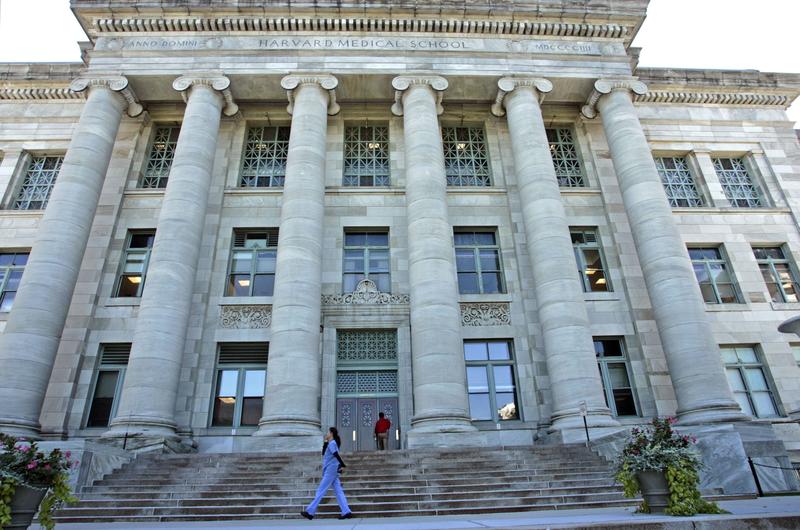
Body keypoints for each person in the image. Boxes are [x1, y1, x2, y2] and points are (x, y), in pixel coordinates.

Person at [300, 427, 352, 520]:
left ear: (331, 433)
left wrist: (343, 465)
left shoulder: (332, 443)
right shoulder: (331, 443)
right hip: (332, 469)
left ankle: (310, 512)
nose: (326, 434)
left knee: (321, 490)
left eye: (328, 432)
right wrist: (325, 441)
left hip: (331, 470)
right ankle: (346, 511)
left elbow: (336, 455)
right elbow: (324, 453)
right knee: (338, 491)